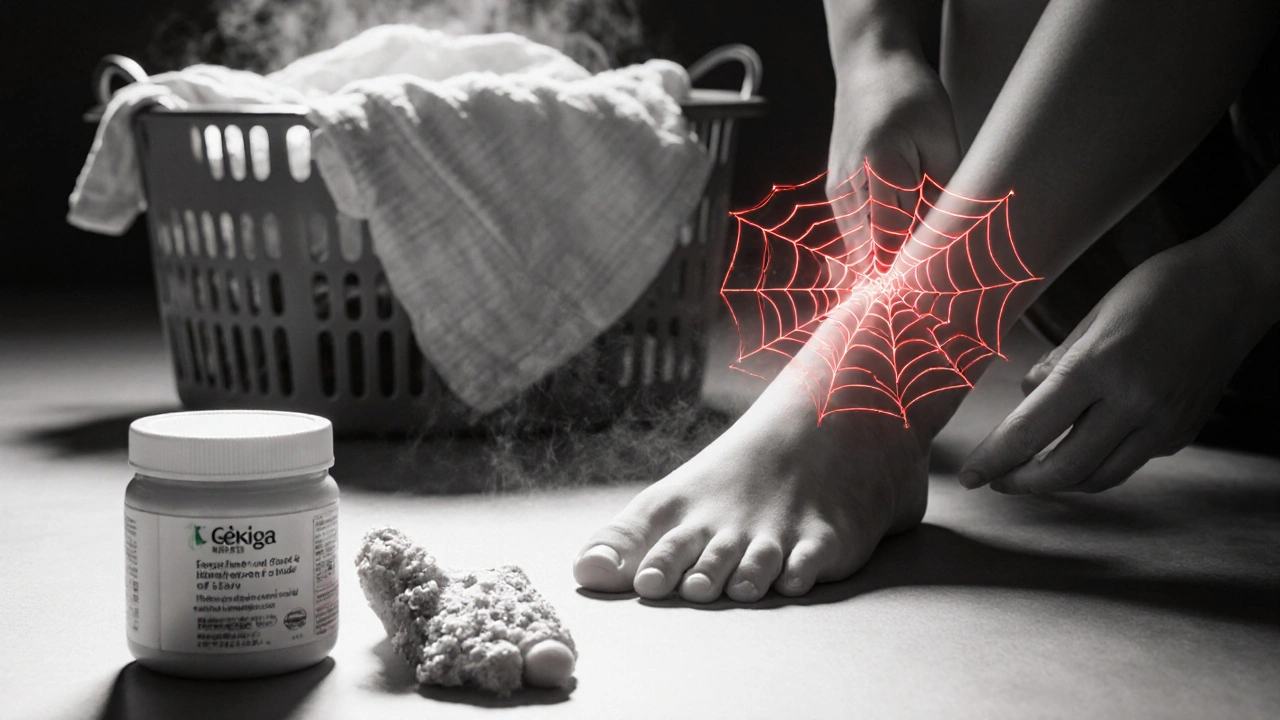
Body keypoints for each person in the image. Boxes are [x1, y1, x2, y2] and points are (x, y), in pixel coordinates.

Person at [572, 0, 1280, 603]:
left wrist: (1242, 276)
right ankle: (888, 370)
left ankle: (873, 389)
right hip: (1067, 218)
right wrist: (871, 46)